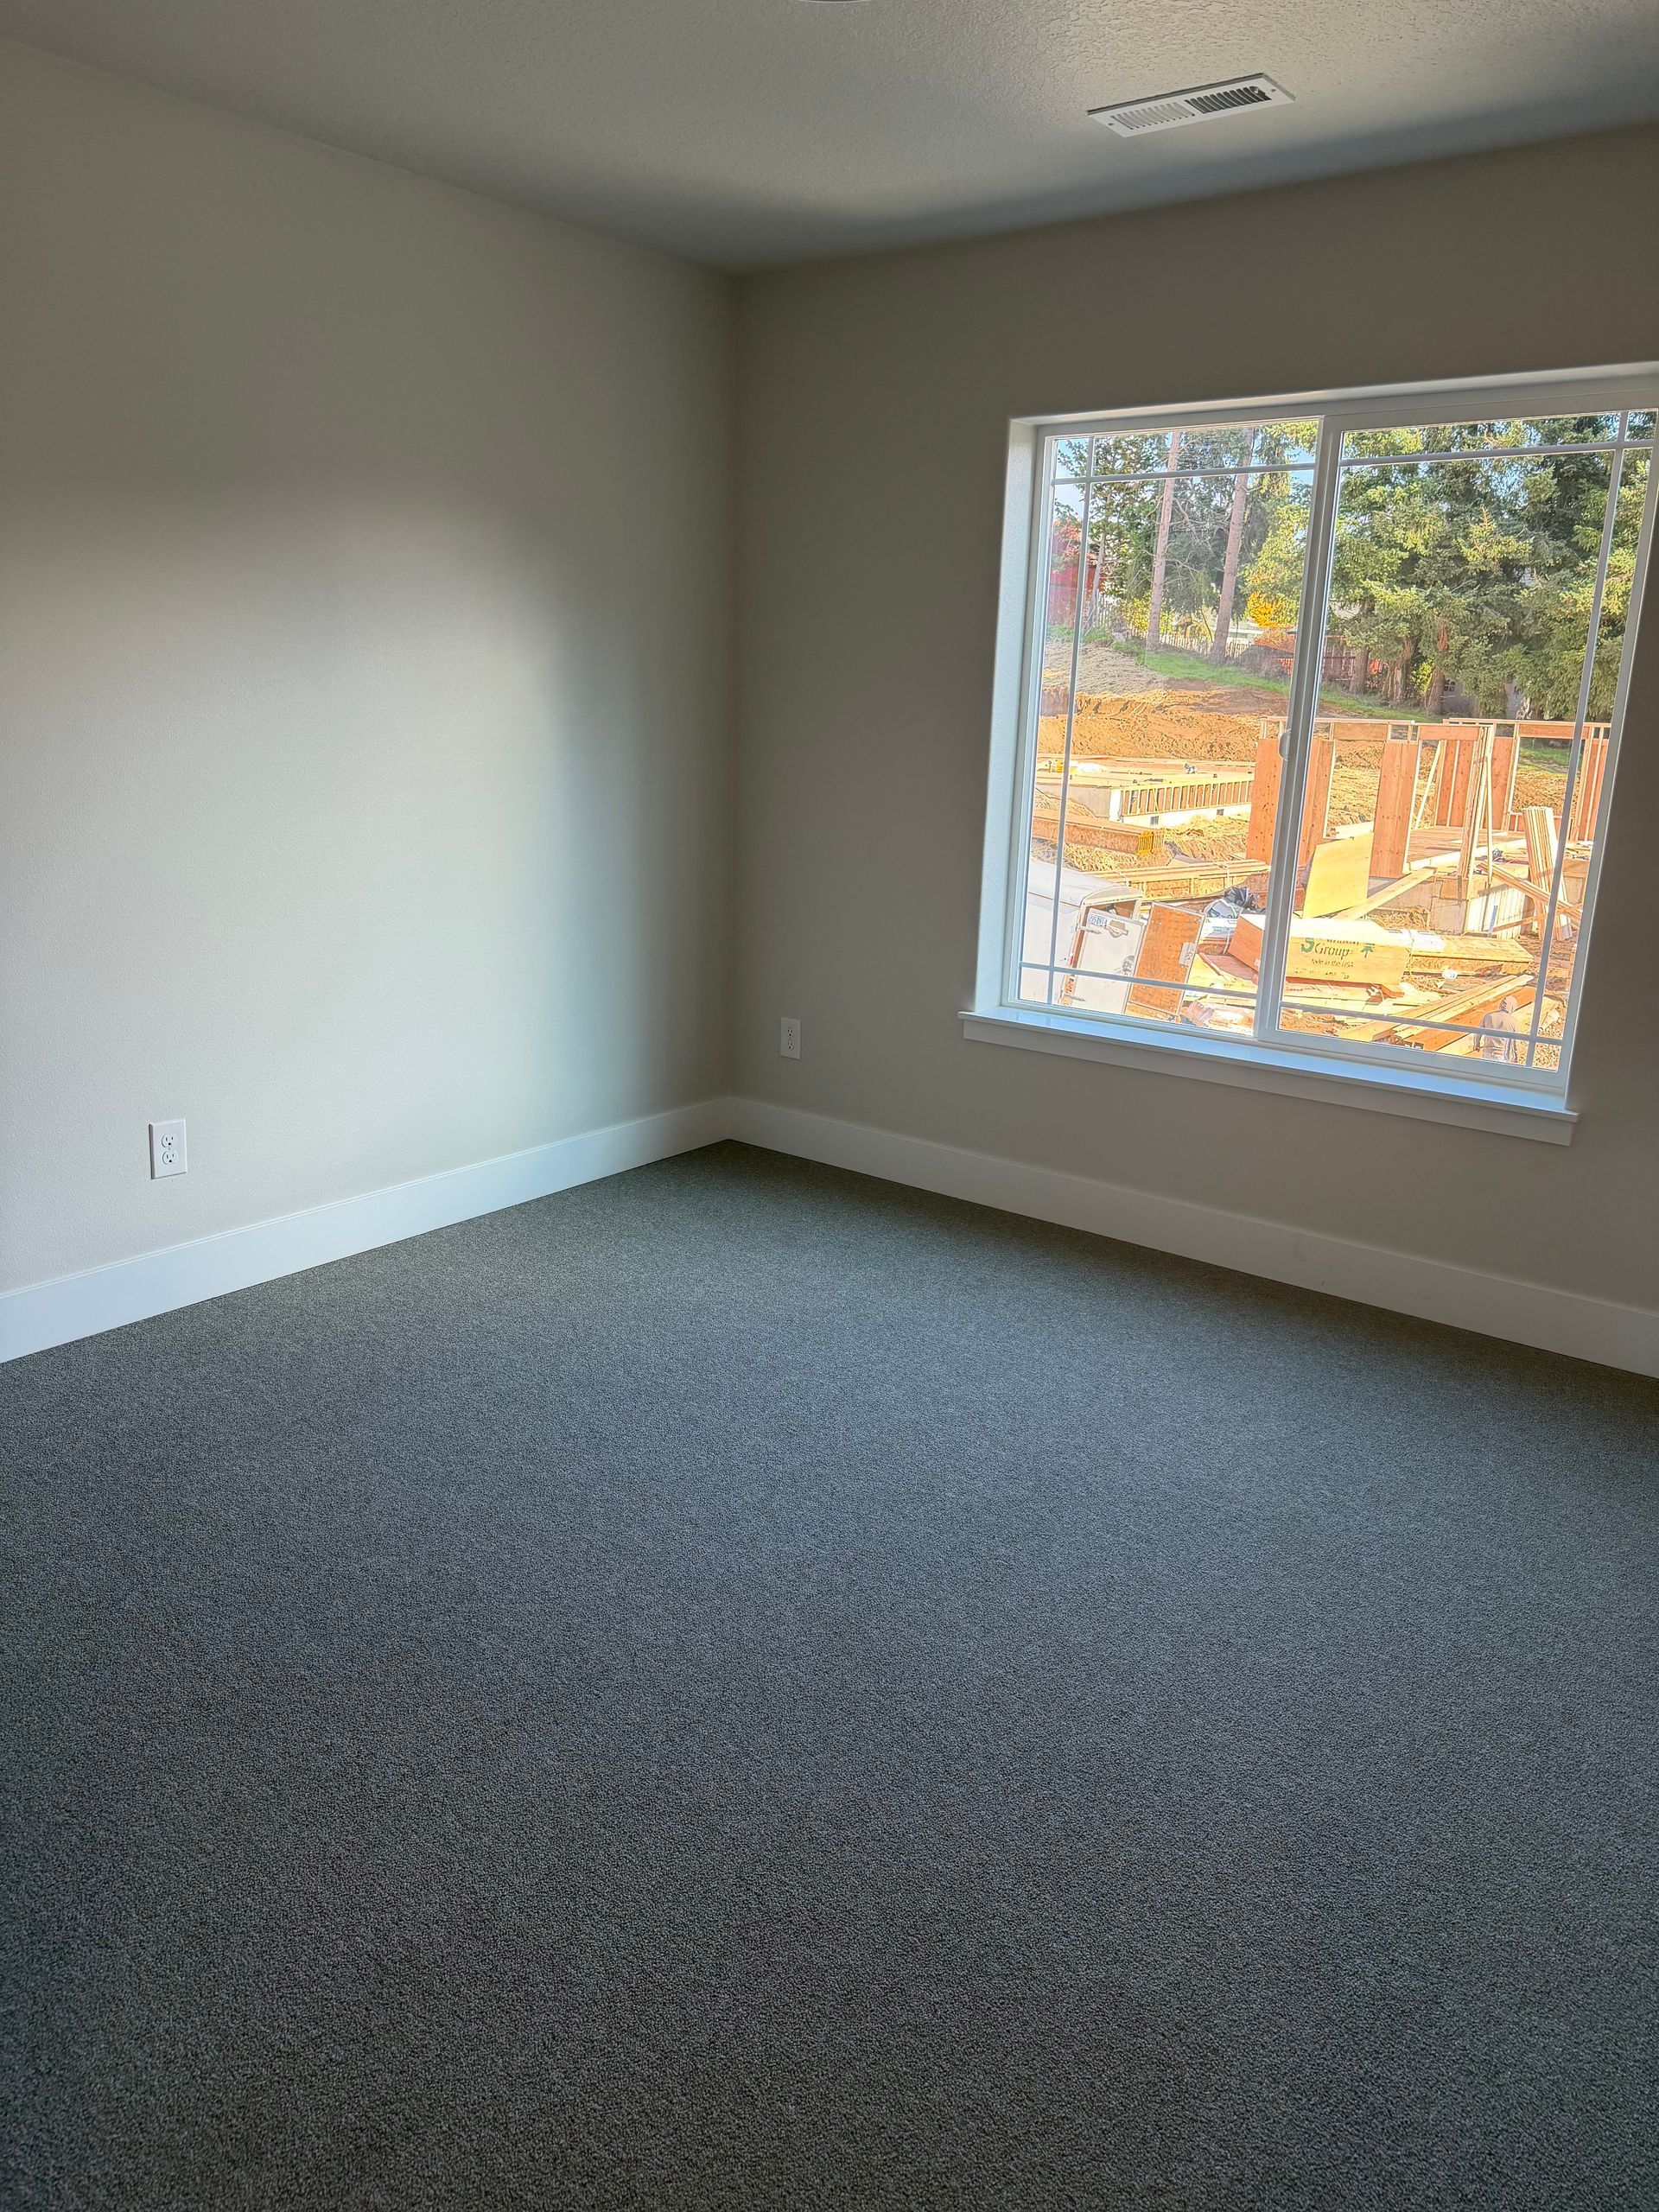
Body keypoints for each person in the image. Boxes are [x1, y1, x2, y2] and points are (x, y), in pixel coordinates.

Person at [1477, 995, 1524, 1063]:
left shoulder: (1489, 1016)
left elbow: (1479, 1032)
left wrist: (1477, 1044)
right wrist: (1516, 1056)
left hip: (1487, 1053)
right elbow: (1516, 1042)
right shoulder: (1513, 1022)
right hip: (1501, 1055)